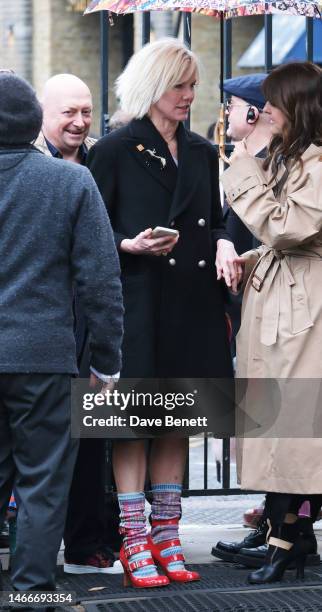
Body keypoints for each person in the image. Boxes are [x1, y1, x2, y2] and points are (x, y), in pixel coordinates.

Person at [87, 37, 240, 589]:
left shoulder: (201, 150)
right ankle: (134, 539)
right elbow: (93, 232)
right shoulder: (112, 149)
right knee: (134, 423)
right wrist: (128, 246)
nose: (189, 95)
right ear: (152, 85)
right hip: (139, 302)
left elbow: (215, 219)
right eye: (179, 84)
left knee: (177, 419)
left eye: (193, 85)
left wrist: (223, 242)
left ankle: (168, 536)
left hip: (192, 303)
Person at [0, 72, 123, 605]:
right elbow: (101, 282)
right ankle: (31, 594)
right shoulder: (70, 183)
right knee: (43, 484)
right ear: (34, 122)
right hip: (44, 356)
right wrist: (107, 361)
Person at [221, 61, 322, 584]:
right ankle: (290, 538)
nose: (264, 114)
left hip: (306, 311)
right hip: (284, 300)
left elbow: (288, 226)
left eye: (273, 104)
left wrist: (244, 163)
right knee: (285, 428)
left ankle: (286, 541)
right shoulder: (294, 156)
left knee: (298, 431)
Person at [36, 73, 122, 574]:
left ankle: (88, 542)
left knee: (91, 438)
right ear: (43, 113)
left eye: (87, 111)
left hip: (93, 314)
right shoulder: (29, 163)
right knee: (40, 449)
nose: (79, 121)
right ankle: (35, 568)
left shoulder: (101, 159)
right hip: (43, 320)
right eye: (68, 111)